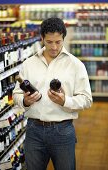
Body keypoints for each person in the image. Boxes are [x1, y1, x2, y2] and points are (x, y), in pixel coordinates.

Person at [13, 17, 92, 170]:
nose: (54, 47)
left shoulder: (76, 65)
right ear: (41, 38)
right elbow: (16, 94)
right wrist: (25, 101)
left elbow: (87, 99)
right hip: (33, 130)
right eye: (49, 42)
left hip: (63, 131)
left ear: (64, 38)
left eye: (58, 42)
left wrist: (65, 101)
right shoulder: (28, 64)